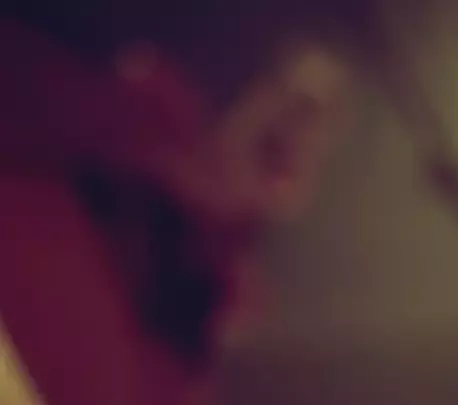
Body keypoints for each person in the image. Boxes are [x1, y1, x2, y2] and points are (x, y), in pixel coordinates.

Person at [0, 2, 381, 404]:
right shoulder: (44, 187)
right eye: (297, 110)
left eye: (325, 130)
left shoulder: (203, 302)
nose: (308, 142)